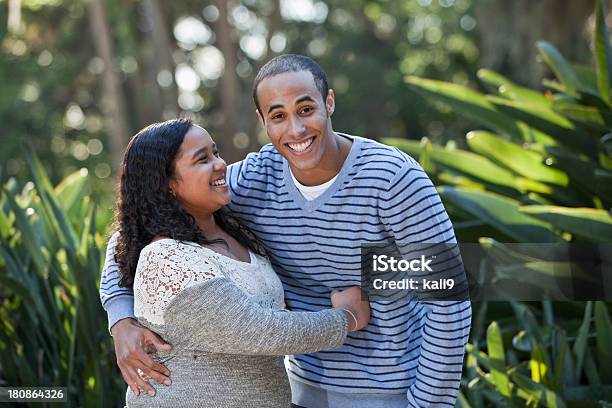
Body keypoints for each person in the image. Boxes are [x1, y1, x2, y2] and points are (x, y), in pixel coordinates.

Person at [101, 54, 472, 407]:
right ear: (263, 120)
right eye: (279, 116)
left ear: (329, 103)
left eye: (306, 109)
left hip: (389, 396)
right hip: (300, 394)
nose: (296, 129)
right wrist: (121, 319)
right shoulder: (254, 180)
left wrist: (427, 403)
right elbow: (137, 227)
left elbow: (446, 299)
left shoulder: (391, 180)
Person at [109, 118, 371, 407]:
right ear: (167, 184)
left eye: (216, 152)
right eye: (202, 159)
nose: (221, 165)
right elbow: (261, 332)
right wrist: (347, 317)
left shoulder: (233, 223)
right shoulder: (166, 257)